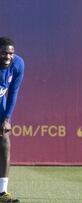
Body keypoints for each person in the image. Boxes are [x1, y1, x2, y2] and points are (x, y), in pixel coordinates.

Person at [0, 37, 24, 203]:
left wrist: (7, 118)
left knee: (5, 143)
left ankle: (2, 192)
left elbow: (13, 93)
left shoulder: (18, 64)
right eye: (3, 53)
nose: (8, 57)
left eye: (10, 53)